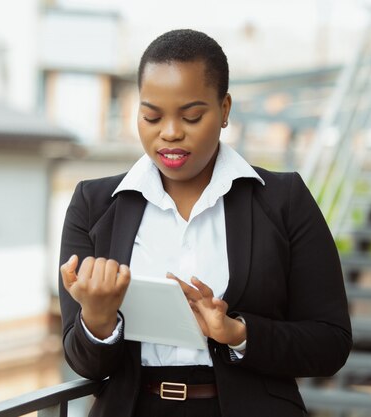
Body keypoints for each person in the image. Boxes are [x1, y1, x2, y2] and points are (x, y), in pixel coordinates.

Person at [59, 29, 352, 417]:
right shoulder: (94, 205)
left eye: (192, 116)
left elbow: (330, 343)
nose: (170, 132)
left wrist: (238, 333)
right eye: (151, 116)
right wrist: (97, 319)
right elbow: (85, 365)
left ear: (225, 109)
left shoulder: (284, 200)